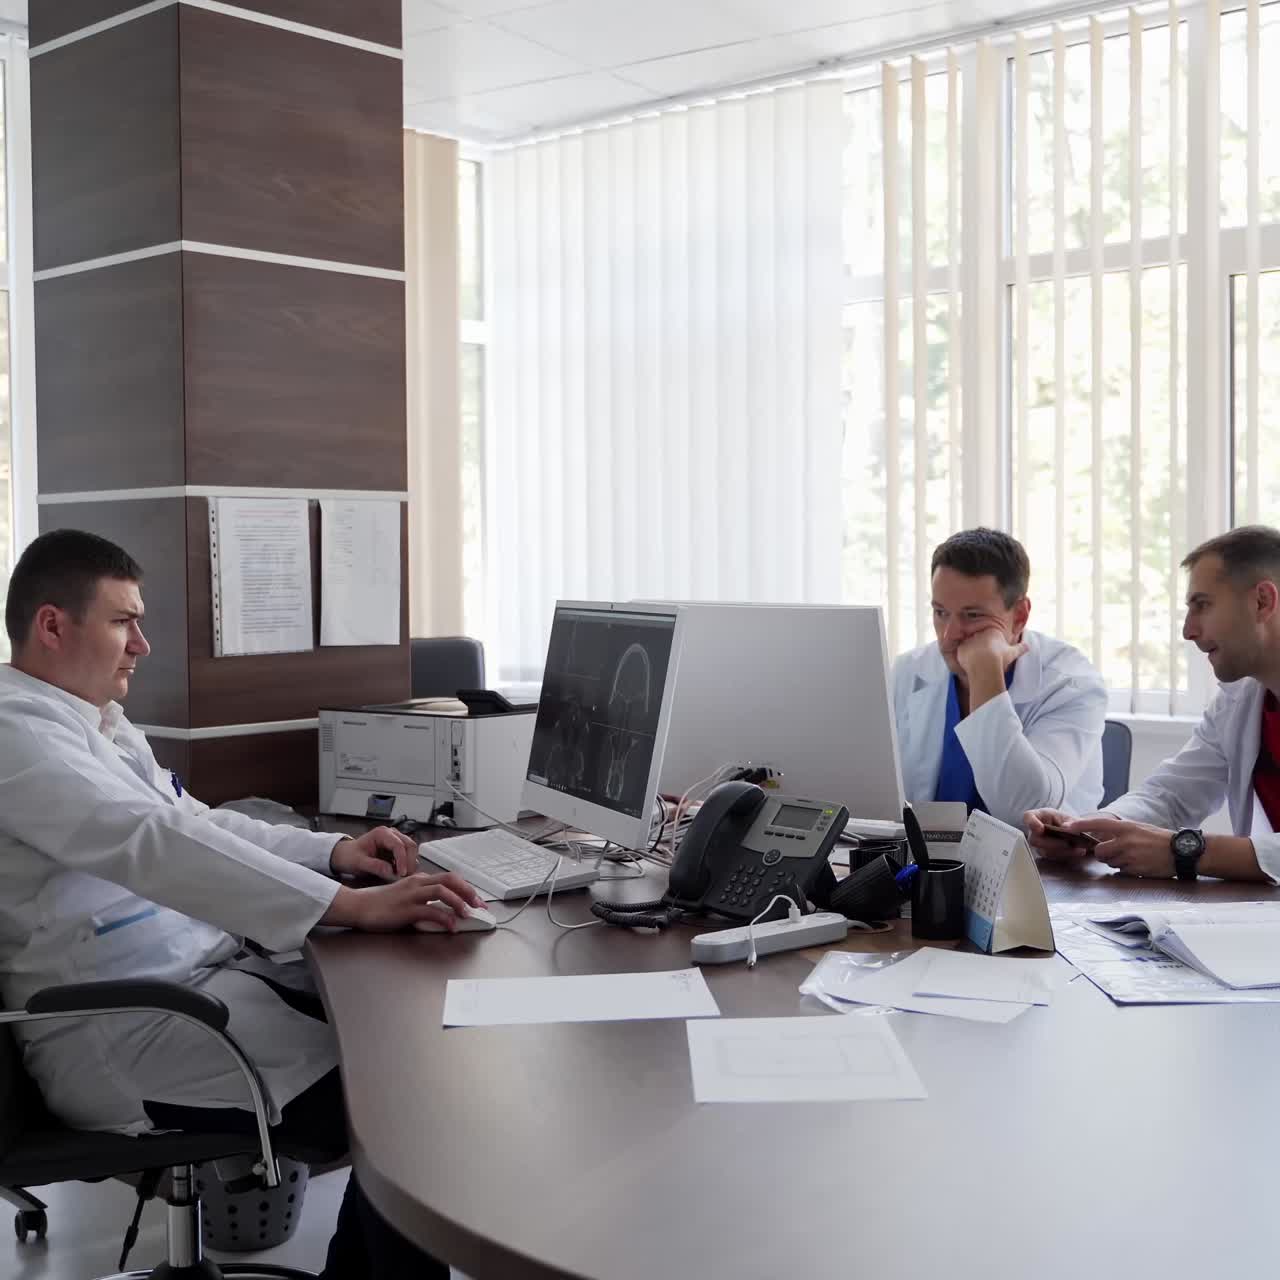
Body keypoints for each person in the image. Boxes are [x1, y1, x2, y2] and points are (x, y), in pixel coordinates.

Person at [0, 528, 483, 1277]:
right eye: (123, 620)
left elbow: (193, 821)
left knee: (414, 1046)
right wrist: (347, 907)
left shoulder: (94, 724)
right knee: (413, 1104)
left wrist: (332, 855)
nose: (143, 644)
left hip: (194, 988)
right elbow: (150, 839)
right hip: (124, 1032)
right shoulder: (14, 736)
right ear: (53, 625)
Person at [1026, 526, 1280, 883]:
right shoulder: (1239, 699)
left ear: (1262, 602)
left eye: (1203, 605)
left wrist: (1187, 852)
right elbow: (1172, 795)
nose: (1188, 631)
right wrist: (1093, 830)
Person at [892, 527, 1107, 829]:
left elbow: (1024, 811)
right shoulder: (908, 671)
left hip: (1039, 870)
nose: (949, 635)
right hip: (928, 865)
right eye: (941, 612)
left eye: (973, 616)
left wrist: (985, 674)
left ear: (1019, 615)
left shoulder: (1073, 684)